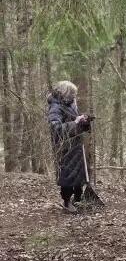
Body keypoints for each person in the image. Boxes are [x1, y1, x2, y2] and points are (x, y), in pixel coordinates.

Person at [47, 81, 92, 213]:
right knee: (67, 175)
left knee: (79, 174)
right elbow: (55, 130)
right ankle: (67, 202)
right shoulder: (55, 107)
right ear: (65, 93)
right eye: (72, 93)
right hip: (64, 148)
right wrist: (75, 123)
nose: (74, 96)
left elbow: (76, 123)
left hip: (76, 146)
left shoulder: (70, 104)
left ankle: (77, 199)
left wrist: (84, 121)